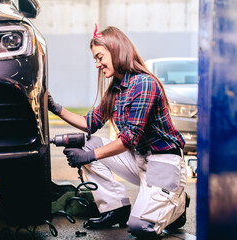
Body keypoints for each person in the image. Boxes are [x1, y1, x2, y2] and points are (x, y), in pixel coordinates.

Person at [48, 25, 190, 239]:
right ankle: (115, 208)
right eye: (95, 59)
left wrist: (90, 157)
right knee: (87, 142)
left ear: (115, 50)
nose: (97, 65)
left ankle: (177, 204)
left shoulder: (144, 84)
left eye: (100, 57)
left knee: (141, 228)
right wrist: (56, 108)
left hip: (164, 163)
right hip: (139, 160)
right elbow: (90, 123)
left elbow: (128, 138)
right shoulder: (115, 89)